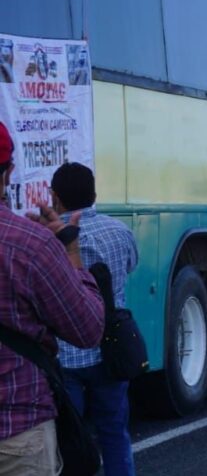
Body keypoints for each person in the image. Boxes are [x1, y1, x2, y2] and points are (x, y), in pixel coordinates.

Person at [0, 122, 105, 474]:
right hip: (18, 432)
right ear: (9, 172)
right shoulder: (31, 245)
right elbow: (88, 328)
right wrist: (71, 252)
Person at [50, 162, 139, 476]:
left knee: (69, 442)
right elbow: (130, 266)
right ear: (94, 195)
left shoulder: (46, 237)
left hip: (65, 354)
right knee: (114, 433)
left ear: (54, 197)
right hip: (110, 349)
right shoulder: (118, 231)